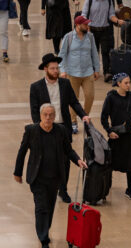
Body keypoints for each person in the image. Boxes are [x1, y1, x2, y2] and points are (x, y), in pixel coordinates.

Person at [14, 103, 87, 248]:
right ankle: (43, 238)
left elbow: (68, 150)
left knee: (50, 206)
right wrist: (18, 172)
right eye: (45, 115)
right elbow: (22, 152)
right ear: (40, 116)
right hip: (37, 178)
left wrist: (78, 160)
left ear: (54, 116)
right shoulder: (31, 130)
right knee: (41, 207)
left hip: (55, 177)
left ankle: (44, 229)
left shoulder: (60, 130)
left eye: (51, 115)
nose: (48, 118)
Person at [30, 53, 91, 203]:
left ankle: (63, 190)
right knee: (48, 159)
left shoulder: (65, 84)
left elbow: (74, 102)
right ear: (45, 69)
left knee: (65, 160)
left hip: (63, 127)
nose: (56, 71)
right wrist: (40, 128)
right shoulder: (36, 87)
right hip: (46, 127)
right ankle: (47, 187)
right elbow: (34, 111)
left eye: (57, 68)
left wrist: (83, 115)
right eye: (52, 68)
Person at [101, 73, 131, 201]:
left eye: (129, 82)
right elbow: (104, 117)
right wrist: (109, 131)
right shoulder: (110, 98)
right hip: (116, 136)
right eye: (126, 83)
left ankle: (129, 188)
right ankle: (106, 186)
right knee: (110, 163)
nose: (128, 85)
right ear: (118, 83)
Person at [59, 15, 101, 134]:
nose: (87, 26)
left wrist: (97, 69)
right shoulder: (68, 37)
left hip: (88, 72)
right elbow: (62, 55)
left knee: (90, 96)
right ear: (77, 25)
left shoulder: (90, 37)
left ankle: (84, 117)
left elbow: (94, 53)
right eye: (85, 24)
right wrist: (63, 70)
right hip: (72, 73)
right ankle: (73, 121)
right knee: (73, 99)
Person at [82, 0, 123, 83]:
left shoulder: (109, 1)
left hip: (105, 30)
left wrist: (118, 21)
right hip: (92, 31)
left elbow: (111, 15)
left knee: (105, 52)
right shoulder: (89, 1)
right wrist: (87, 26)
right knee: (93, 52)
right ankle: (93, 71)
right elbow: (84, 15)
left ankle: (106, 73)